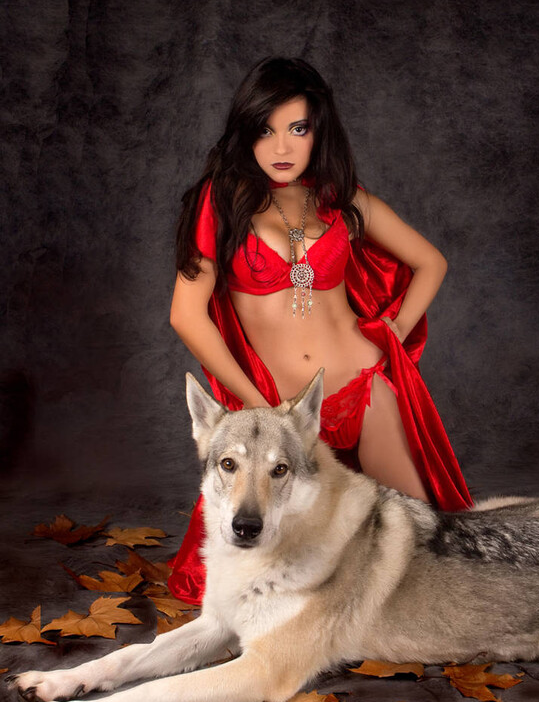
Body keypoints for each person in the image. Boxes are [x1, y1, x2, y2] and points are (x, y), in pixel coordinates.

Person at [168, 57, 472, 603]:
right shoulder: (220, 202)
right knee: (286, 561)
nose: (282, 147)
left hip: (363, 387)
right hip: (280, 405)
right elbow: (186, 315)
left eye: (298, 129)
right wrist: (258, 406)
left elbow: (431, 262)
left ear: (318, 131)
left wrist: (394, 331)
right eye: (266, 130)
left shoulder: (342, 199)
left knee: (418, 537)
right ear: (246, 132)